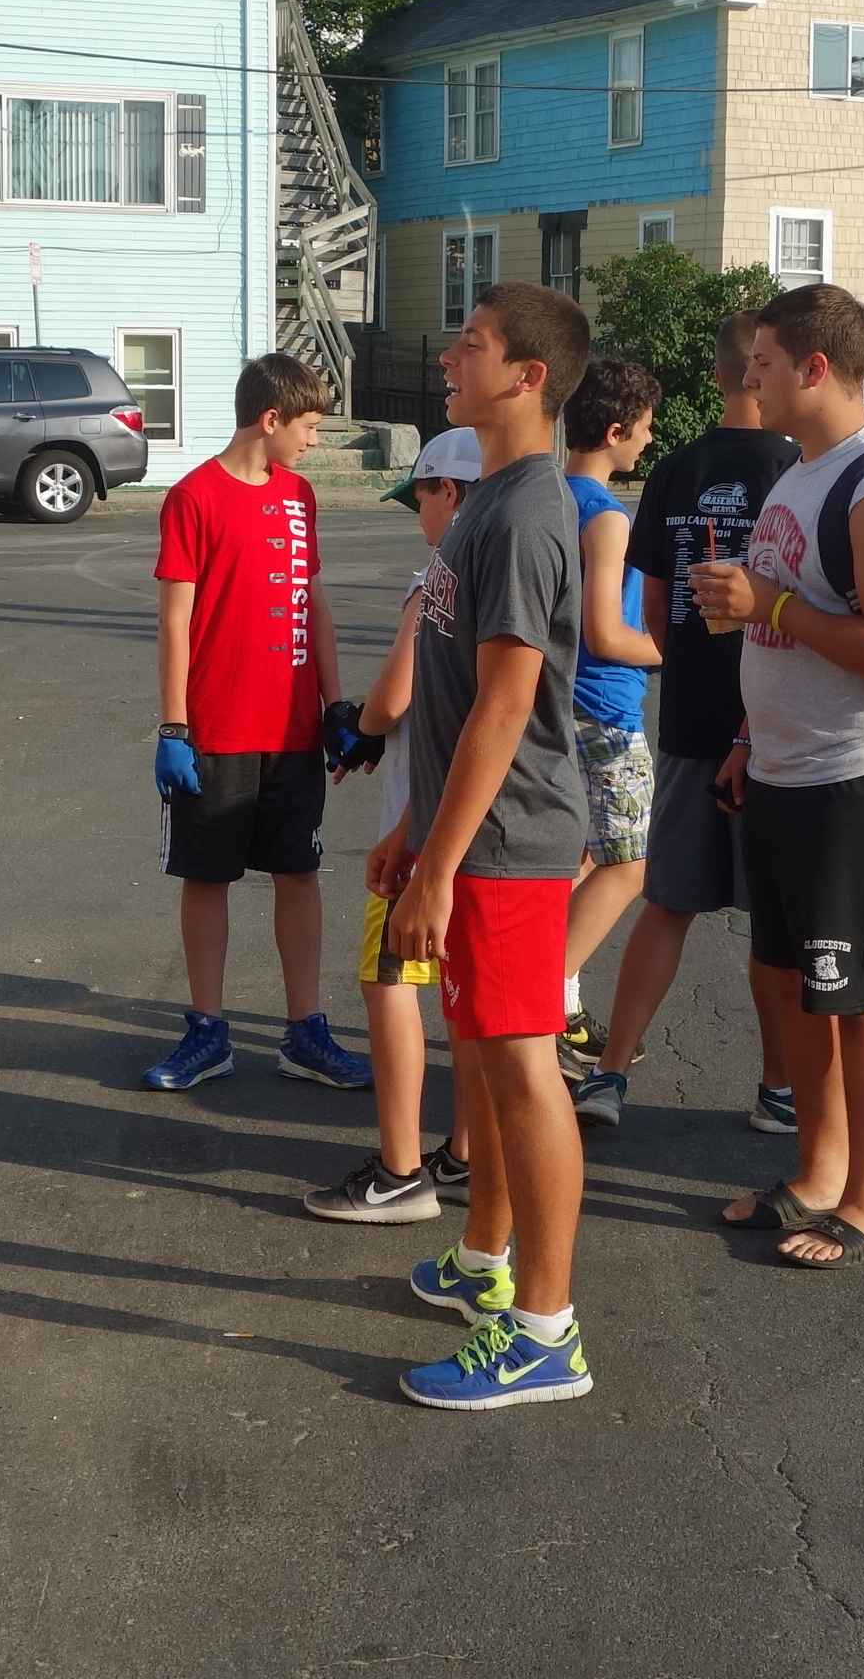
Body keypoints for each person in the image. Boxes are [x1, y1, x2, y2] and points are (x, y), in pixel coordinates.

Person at [687, 284, 864, 1270]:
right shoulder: (799, 472)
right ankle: (818, 1174)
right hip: (785, 770)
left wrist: (771, 608)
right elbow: (781, 617)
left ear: (815, 367)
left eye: (762, 362)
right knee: (796, 983)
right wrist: (748, 734)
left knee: (863, 992)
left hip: (861, 776)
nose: (747, 377)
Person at [378, 281, 595, 1409]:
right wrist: (413, 827)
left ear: (528, 377)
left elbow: (508, 709)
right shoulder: (488, 498)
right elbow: (459, 696)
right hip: (473, 838)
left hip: (508, 845)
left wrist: (438, 867)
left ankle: (546, 1333)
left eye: (472, 343)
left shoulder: (523, 515)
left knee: (521, 1068)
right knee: (487, 1061)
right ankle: (483, 1261)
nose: (451, 357)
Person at [582, 312, 796, 1132]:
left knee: (666, 903)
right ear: (763, 372)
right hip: (771, 726)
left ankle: (610, 1075)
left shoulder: (673, 467)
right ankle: (777, 1089)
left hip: (687, 720)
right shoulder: (795, 468)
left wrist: (689, 669)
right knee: (777, 926)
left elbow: (654, 610)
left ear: (716, 377)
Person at [143, 355, 371, 1093]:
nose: (314, 440)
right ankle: (207, 1033)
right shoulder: (193, 497)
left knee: (297, 873)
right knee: (206, 878)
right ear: (270, 419)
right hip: (216, 732)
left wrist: (335, 704)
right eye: (309, 426)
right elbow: (175, 623)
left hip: (293, 733)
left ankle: (305, 1034)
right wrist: (173, 728)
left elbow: (314, 606)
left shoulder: (300, 496)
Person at [304, 427, 483, 1223]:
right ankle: (464, 1156)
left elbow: (394, 695)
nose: (418, 514)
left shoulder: (437, 577)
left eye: (420, 497)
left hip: (425, 819)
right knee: (466, 995)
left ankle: (400, 1171)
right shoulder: (515, 564)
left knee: (389, 980)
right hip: (487, 819)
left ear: (448, 491)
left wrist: (362, 726)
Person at [556, 358, 665, 1124]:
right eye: (646, 428)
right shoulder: (605, 514)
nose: (649, 441)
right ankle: (543, 997)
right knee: (629, 866)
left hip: (556, 705)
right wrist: (678, 648)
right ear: (617, 429)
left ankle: (556, 996)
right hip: (606, 708)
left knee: (584, 859)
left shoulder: (544, 496)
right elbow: (604, 632)